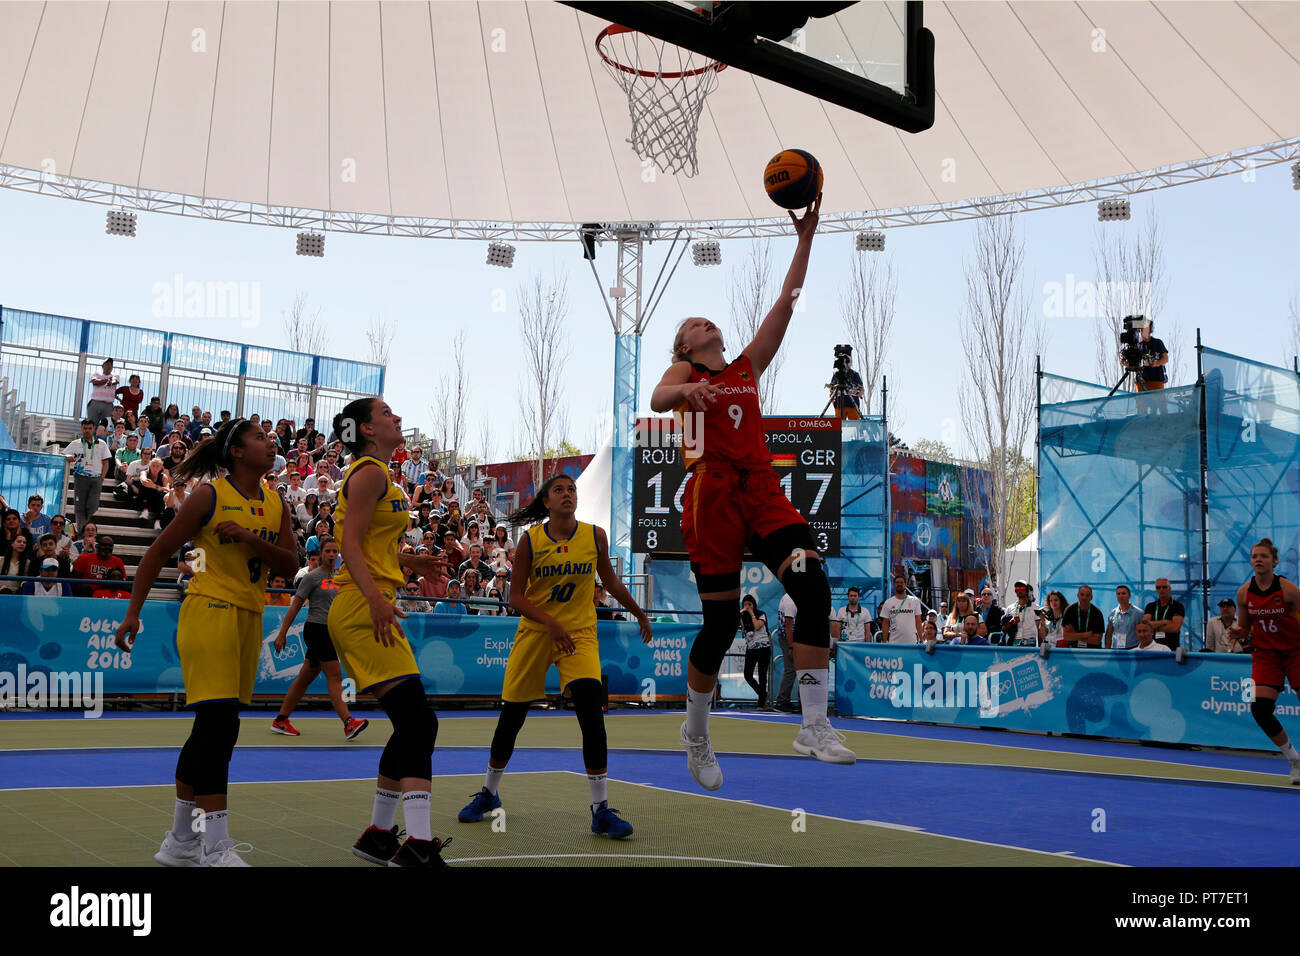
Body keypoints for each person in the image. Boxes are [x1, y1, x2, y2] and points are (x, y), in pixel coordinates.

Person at [649, 194, 851, 785]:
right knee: (718, 628)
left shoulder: (742, 367)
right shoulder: (689, 373)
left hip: (761, 490)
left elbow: (785, 310)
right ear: (685, 346)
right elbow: (659, 398)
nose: (706, 322)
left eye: (708, 319)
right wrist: (685, 394)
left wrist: (806, 241)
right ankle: (696, 733)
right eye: (694, 324)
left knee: (813, 591)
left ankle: (813, 725)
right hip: (711, 495)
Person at [114, 417, 297, 867]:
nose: (269, 442)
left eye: (270, 438)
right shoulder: (210, 495)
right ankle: (215, 845)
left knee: (212, 729)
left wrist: (252, 539)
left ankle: (179, 840)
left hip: (248, 616)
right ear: (235, 451)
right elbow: (158, 553)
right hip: (209, 609)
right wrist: (132, 613)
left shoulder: (277, 502)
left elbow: (291, 566)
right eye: (259, 438)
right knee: (219, 726)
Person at [457, 474, 652, 839]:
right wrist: (549, 622)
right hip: (537, 632)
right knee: (512, 716)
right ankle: (489, 793)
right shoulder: (530, 540)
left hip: (578, 633)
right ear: (546, 502)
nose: (567, 494)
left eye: (571, 489)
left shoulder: (594, 535)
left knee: (591, 713)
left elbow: (609, 582)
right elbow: (515, 598)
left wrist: (639, 612)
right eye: (559, 490)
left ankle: (600, 810)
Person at [326, 398, 453, 868]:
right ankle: (416, 845)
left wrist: (409, 561)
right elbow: (348, 544)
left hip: (369, 599)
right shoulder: (370, 474)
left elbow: (371, 543)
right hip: (363, 604)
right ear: (365, 428)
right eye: (386, 413)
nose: (397, 417)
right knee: (420, 723)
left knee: (412, 723)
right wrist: (378, 598)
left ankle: (380, 835)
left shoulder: (380, 473)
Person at [269, 538, 369, 740]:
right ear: (321, 554)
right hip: (316, 629)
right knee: (334, 675)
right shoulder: (312, 577)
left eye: (335, 551)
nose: (332, 555)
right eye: (328, 551)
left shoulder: (340, 577)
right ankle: (349, 723)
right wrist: (282, 633)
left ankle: (281, 720)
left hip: (332, 631)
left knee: (305, 677)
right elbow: (295, 606)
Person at [1230, 538, 1300, 783]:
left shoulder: (1289, 590)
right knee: (1259, 709)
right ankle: (1294, 759)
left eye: (1264, 556)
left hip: (1295, 652)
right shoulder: (1244, 593)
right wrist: (1239, 632)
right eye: (1254, 556)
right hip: (1266, 656)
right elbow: (1246, 626)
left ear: (1274, 561)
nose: (1258, 560)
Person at [64, 419, 113, 530]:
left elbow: (106, 462)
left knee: (92, 507)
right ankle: (82, 532)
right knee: (79, 508)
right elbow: (64, 456)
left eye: (90, 428)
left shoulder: (101, 443)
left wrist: (102, 478)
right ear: (81, 429)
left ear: (94, 429)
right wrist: (69, 457)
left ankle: (87, 529)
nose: (87, 431)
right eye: (85, 428)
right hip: (80, 478)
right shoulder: (75, 443)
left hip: (96, 479)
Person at [739, 595, 772, 709]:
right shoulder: (743, 616)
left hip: (763, 647)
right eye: (745, 605)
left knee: (762, 675)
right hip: (751, 648)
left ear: (754, 605)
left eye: (750, 604)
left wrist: (752, 614)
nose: (747, 607)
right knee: (747, 674)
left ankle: (761, 703)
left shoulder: (761, 614)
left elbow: (757, 626)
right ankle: (762, 694)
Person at [1143, 577, 1185, 650]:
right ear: (1156, 590)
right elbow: (1145, 626)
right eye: (1158, 587)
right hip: (1152, 649)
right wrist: (1164, 622)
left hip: (1171, 648)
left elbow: (1175, 628)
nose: (1161, 589)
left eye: (1164, 587)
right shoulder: (1150, 606)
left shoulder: (1177, 606)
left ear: (1169, 588)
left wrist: (1154, 627)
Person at [880, 574, 923, 644]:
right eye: (897, 582)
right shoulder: (888, 602)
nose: (899, 584)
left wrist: (921, 640)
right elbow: (885, 623)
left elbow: (918, 622)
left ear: (905, 584)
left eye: (901, 582)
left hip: (911, 642)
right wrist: (884, 641)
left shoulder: (915, 601)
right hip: (894, 643)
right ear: (894, 584)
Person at [1002, 581, 1043, 646]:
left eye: (1022, 588)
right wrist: (1011, 622)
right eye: (1017, 589)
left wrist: (1040, 646)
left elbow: (1039, 629)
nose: (1020, 590)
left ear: (1027, 591)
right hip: (1013, 642)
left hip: (1029, 643)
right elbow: (1003, 628)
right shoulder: (1010, 608)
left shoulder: (1036, 608)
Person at [1135, 319, 1169, 392]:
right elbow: (1134, 363)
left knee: (1158, 403)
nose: (1143, 330)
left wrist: (1156, 363)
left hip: (1156, 380)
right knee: (1141, 403)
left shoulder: (1157, 343)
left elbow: (1165, 359)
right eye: (1141, 328)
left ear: (1150, 329)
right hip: (1141, 381)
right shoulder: (1138, 345)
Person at [1105, 584, 1143, 650]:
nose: (1121, 596)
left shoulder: (1138, 613)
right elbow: (1108, 635)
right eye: (1118, 594)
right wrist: (1107, 652)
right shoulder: (1112, 613)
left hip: (1133, 649)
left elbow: (1143, 634)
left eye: (1123, 593)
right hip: (1116, 650)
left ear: (1129, 596)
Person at [86, 358, 119, 428]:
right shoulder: (97, 373)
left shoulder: (115, 375)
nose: (109, 366)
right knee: (91, 424)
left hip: (108, 405)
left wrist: (109, 382)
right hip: (95, 403)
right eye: (107, 364)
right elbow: (94, 382)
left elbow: (114, 381)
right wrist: (107, 380)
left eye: (110, 364)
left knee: (106, 426)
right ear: (102, 366)